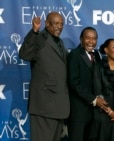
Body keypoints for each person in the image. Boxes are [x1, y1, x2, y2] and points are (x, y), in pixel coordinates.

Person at [19, 12, 70, 141]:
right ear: (47, 23)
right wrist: (34, 31)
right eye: (56, 23)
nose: (59, 27)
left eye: (61, 24)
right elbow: (25, 54)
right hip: (44, 104)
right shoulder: (39, 37)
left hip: (58, 105)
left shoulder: (60, 42)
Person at [67, 27, 107, 141]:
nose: (91, 42)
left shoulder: (97, 55)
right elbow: (74, 82)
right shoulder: (74, 55)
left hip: (94, 114)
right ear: (81, 39)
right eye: (88, 38)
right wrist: (94, 99)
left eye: (94, 38)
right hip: (79, 112)